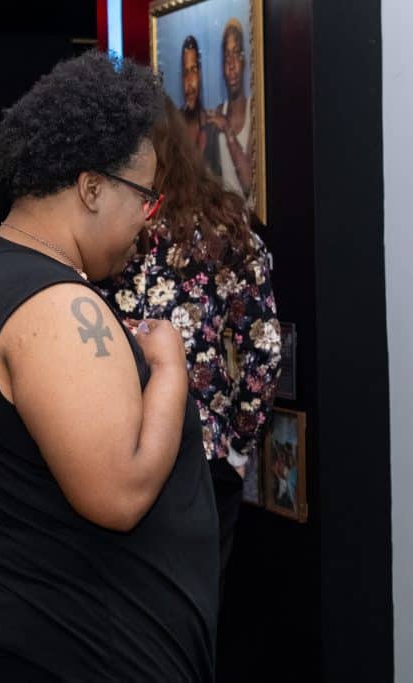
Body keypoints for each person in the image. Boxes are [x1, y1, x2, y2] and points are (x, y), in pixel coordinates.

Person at [0, 52, 220, 680]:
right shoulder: (54, 305)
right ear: (91, 188)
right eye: (143, 195)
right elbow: (120, 492)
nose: (150, 217)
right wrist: (169, 370)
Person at [101, 95, 280, 592]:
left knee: (121, 620)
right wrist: (236, 445)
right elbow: (263, 351)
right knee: (193, 618)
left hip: (109, 447)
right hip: (201, 457)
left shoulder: (104, 226)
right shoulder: (227, 223)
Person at [206, 18, 255, 206]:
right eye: (227, 57)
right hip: (226, 222)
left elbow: (248, 184)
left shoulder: (254, 112)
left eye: (236, 54)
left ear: (244, 62)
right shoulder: (219, 112)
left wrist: (227, 130)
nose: (232, 65)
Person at [180, 35, 220, 172]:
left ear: (201, 75)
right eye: (186, 72)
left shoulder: (210, 126)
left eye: (194, 70)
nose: (190, 81)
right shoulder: (175, 126)